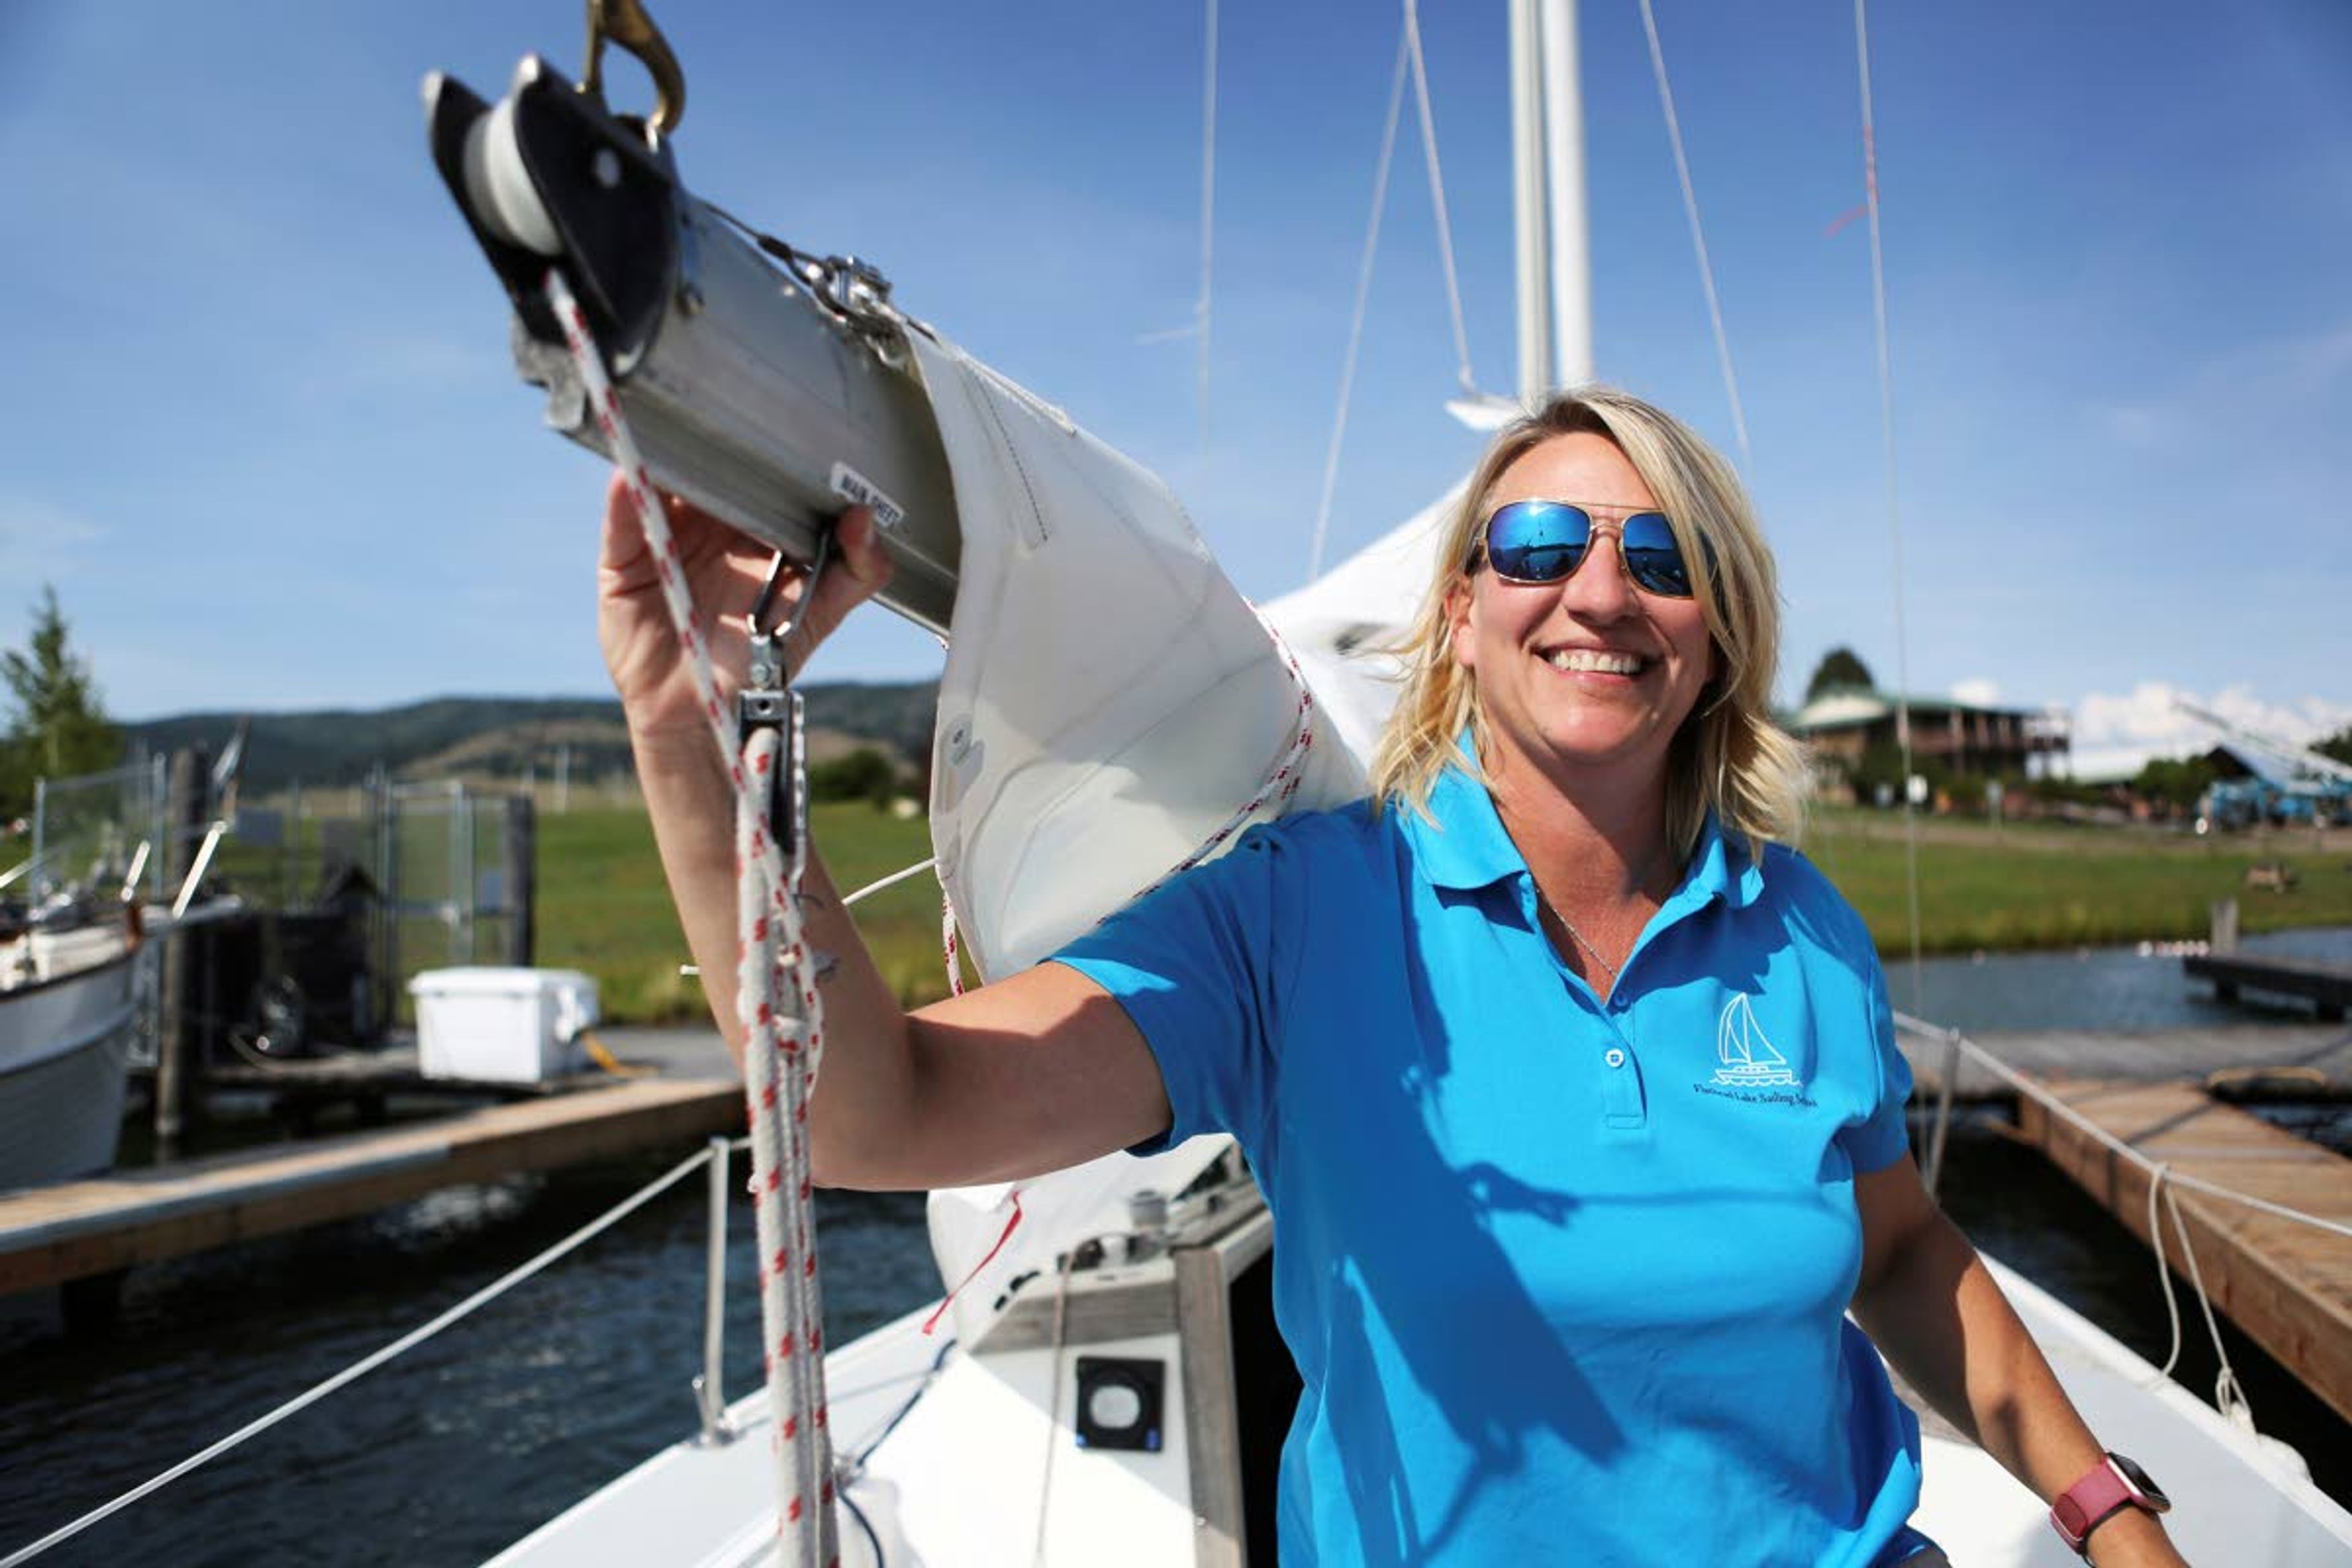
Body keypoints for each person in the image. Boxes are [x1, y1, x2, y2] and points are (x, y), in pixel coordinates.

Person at [598, 388, 2189, 1567]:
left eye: (1664, 556)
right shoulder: (1296, 920)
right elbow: (877, 1111)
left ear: (1717, 632)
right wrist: (696, 728)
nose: (1600, 589)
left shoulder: (1803, 925)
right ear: (1464, 612)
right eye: (1543, 544)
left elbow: (1902, 1251)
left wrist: (2106, 1508)